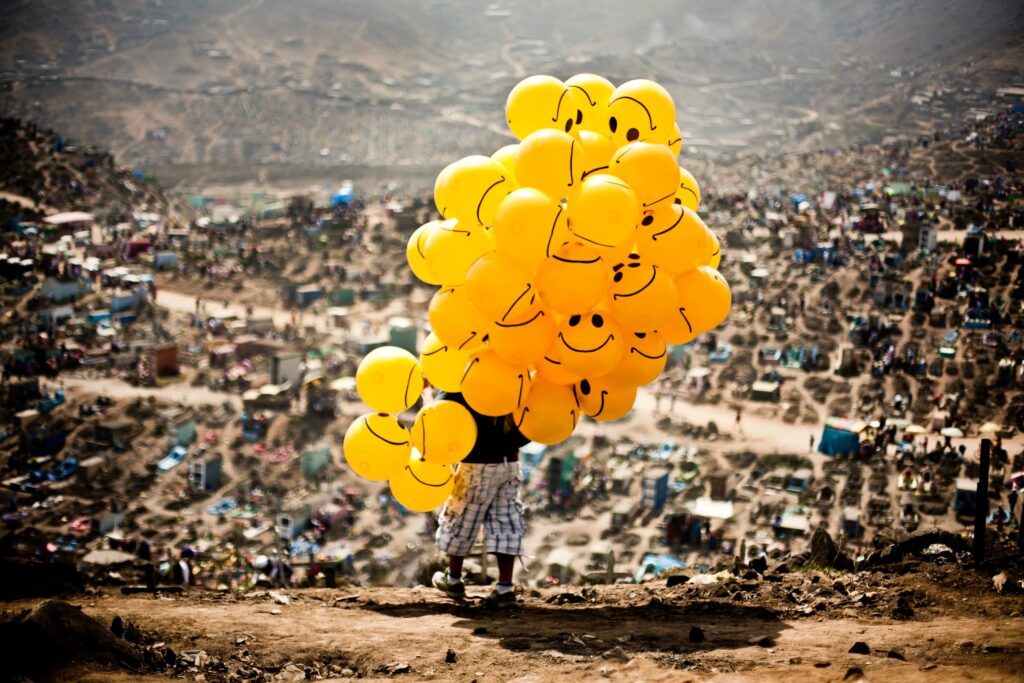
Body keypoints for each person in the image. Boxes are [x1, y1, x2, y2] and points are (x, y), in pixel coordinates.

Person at [431, 390, 529, 606]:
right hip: (509, 463)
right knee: (507, 521)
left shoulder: (466, 383)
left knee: (461, 518)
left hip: (476, 464)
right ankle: (505, 588)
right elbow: (532, 421)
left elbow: (437, 414)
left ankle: (454, 580)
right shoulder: (515, 379)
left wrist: (429, 395)